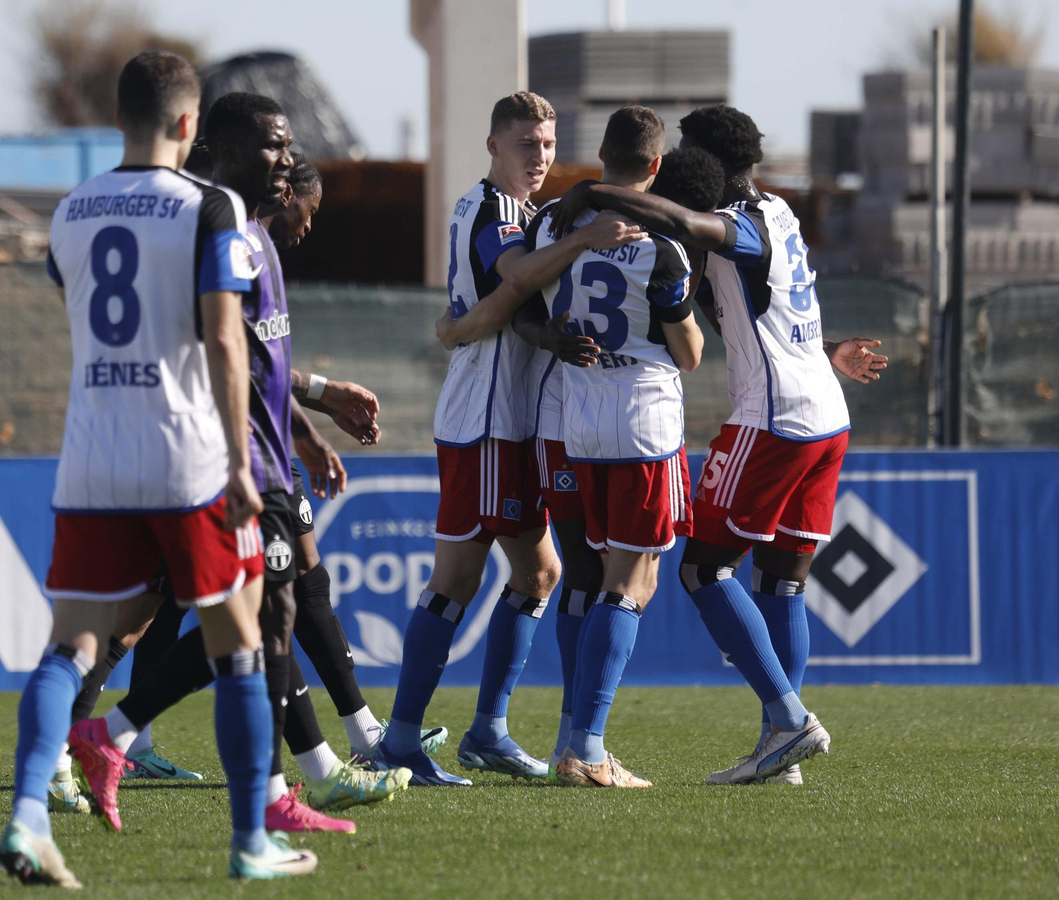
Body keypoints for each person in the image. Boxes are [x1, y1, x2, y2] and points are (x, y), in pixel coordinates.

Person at [0, 56, 315, 885]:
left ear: (121, 119)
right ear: (188, 126)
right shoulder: (209, 208)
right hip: (187, 457)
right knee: (239, 644)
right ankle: (251, 841)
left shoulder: (72, 209)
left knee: (71, 644)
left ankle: (30, 817)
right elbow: (223, 339)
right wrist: (245, 462)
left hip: (92, 456)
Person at [71, 92, 411, 837]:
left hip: (264, 458)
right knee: (229, 618)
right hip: (227, 463)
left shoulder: (252, 237)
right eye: (273, 146)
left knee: (262, 613)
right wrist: (250, 454)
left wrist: (309, 428)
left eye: (289, 148)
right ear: (218, 149)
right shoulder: (219, 232)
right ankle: (117, 737)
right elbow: (221, 353)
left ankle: (283, 777)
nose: (287, 161)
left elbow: (264, 363)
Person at [548, 104, 889, 785]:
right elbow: (759, 311)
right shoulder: (783, 213)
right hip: (826, 412)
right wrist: (828, 350)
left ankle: (788, 719)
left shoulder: (735, 225)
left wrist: (587, 192)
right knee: (781, 580)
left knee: (703, 570)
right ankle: (779, 751)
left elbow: (681, 225)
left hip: (774, 419)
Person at [379, 91, 646, 786]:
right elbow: (516, 279)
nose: (540, 156)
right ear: (494, 145)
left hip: (520, 425)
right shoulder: (494, 212)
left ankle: (487, 731)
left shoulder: (532, 217)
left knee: (539, 574)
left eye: (549, 144)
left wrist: (468, 323)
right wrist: (585, 240)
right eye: (526, 143)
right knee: (459, 577)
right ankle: (402, 737)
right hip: (488, 421)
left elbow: (510, 304)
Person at [527, 110, 716, 789]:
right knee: (632, 583)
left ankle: (567, 740)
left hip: (577, 414)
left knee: (589, 578)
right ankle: (588, 748)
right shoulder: (661, 244)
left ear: (601, 154)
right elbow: (690, 354)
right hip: (642, 421)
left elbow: (522, 289)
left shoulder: (555, 224)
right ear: (657, 167)